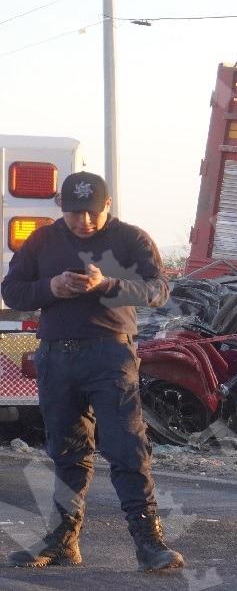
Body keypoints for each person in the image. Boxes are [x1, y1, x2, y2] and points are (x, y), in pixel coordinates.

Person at [1, 172, 184, 571]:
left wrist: (107, 285)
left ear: (108, 205)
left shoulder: (130, 238)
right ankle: (64, 541)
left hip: (109, 356)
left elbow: (158, 290)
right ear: (60, 209)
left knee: (125, 449)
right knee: (66, 451)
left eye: (91, 212)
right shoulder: (42, 240)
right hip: (55, 357)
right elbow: (11, 290)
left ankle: (150, 543)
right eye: (73, 213)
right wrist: (51, 287)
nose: (83, 221)